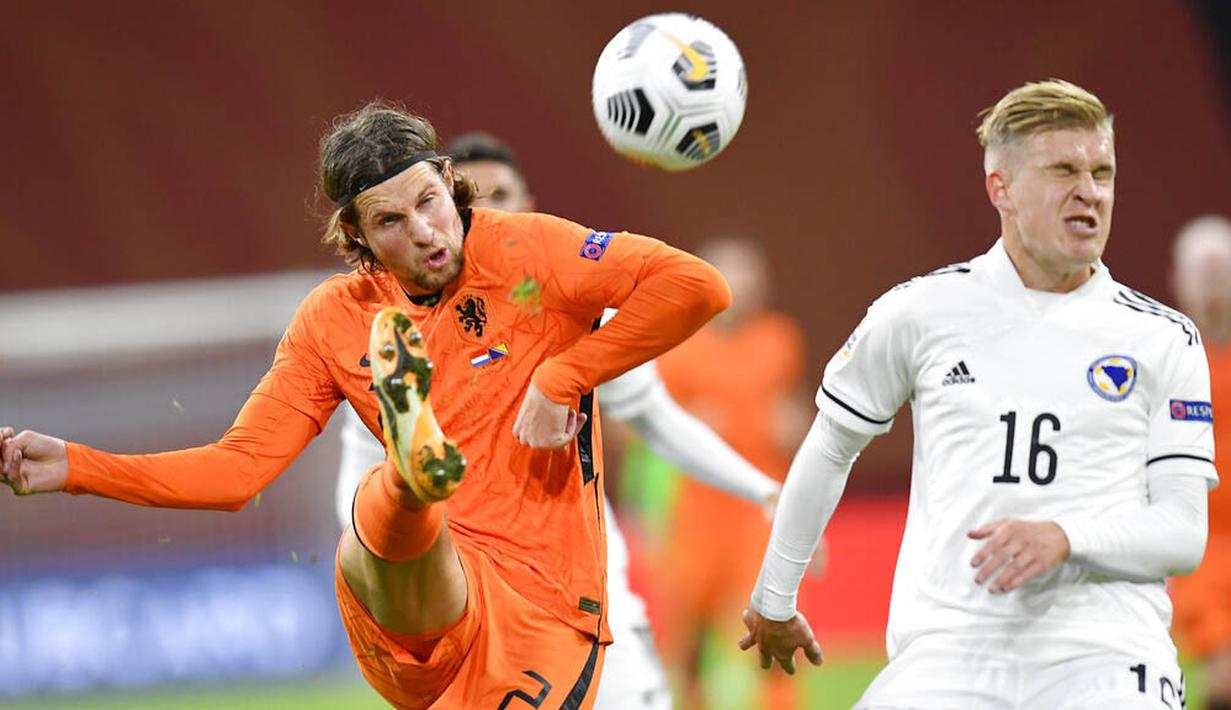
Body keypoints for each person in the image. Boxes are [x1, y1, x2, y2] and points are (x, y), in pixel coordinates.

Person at [0, 100, 732, 709]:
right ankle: (413, 478)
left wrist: (560, 376)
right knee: (383, 522)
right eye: (389, 222)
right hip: (403, 603)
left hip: (541, 605)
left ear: (451, 183)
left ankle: (410, 477)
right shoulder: (332, 319)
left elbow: (696, 288)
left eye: (428, 202)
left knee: (391, 521)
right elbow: (236, 473)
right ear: (354, 234)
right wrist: (73, 465)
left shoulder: (532, 253)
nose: (422, 232)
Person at [740, 79, 1216, 709]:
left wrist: (1066, 537)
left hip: (1105, 654)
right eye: (1064, 170)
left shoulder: (1162, 337)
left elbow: (1182, 532)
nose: (1090, 191)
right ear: (1002, 189)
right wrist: (775, 596)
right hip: (949, 652)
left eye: (1102, 172)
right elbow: (831, 446)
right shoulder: (921, 312)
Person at [334, 131, 783, 710]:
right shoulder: (393, 343)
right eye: (473, 196)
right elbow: (356, 499)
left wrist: (761, 488)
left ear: (529, 203)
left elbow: (657, 420)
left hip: (596, 618)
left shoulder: (577, 311)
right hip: (480, 623)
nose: (486, 208)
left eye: (502, 193)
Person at [650, 236, 812, 710]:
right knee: (692, 621)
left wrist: (794, 421)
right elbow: (640, 425)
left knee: (773, 609)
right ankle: (692, 698)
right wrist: (687, 423)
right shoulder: (679, 345)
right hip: (699, 505)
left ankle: (780, 702)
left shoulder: (780, 339)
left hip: (762, 503)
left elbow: (796, 408)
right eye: (727, 274)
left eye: (746, 274)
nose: (739, 286)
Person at [1168, 214, 1231, 710]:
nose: (1212, 285)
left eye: (1221, 271)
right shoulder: (1164, 360)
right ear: (1178, 281)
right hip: (1200, 548)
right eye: (1202, 272)